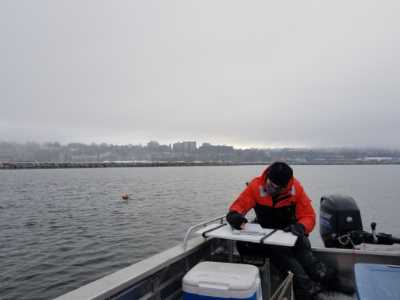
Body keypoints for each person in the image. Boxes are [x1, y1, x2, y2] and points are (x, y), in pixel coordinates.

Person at [226, 162, 341, 300]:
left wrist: (301, 227)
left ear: (285, 186)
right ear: (267, 177)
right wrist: (234, 215)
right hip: (268, 235)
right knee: (284, 257)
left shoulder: (296, 189)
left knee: (307, 258)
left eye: (276, 187)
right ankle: (308, 289)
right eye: (270, 184)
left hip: (292, 232)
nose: (271, 188)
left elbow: (308, 216)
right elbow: (238, 206)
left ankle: (328, 279)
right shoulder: (255, 187)